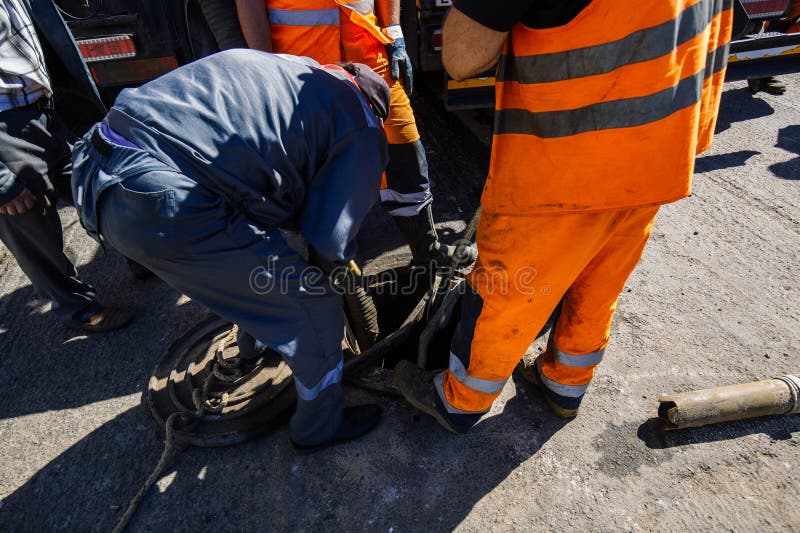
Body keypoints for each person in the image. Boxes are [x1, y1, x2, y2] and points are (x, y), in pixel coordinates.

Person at [395, 0, 734, 432]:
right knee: (599, 277)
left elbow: (461, 58)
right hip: (661, 145)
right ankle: (565, 384)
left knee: (512, 290)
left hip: (567, 160)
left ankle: (461, 400)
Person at [71, 50, 390, 451]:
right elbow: (329, 239)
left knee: (251, 272)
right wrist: (340, 270)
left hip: (94, 165)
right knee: (314, 306)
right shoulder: (361, 123)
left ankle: (252, 349)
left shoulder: (292, 68)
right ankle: (318, 429)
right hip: (159, 199)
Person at [234, 0, 475, 268]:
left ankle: (427, 250)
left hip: (369, 55)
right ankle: (331, 270)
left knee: (405, 149)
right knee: (321, 173)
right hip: (302, 66)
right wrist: (265, 63)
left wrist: (394, 29)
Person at [0, 0, 132, 332]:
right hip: (5, 127)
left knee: (95, 183)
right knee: (31, 229)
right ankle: (79, 310)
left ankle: (141, 251)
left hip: (48, 105)